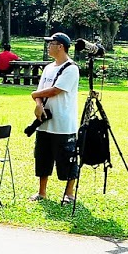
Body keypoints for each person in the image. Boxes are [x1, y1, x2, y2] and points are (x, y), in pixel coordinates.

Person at [30, 32, 81, 205]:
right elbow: (40, 91)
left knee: (67, 159)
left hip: (63, 123)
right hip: (44, 121)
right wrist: (38, 103)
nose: (48, 47)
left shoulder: (71, 68)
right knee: (42, 157)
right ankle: (41, 192)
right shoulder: (48, 68)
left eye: (51, 44)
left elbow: (55, 90)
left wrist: (34, 95)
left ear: (61, 47)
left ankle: (69, 193)